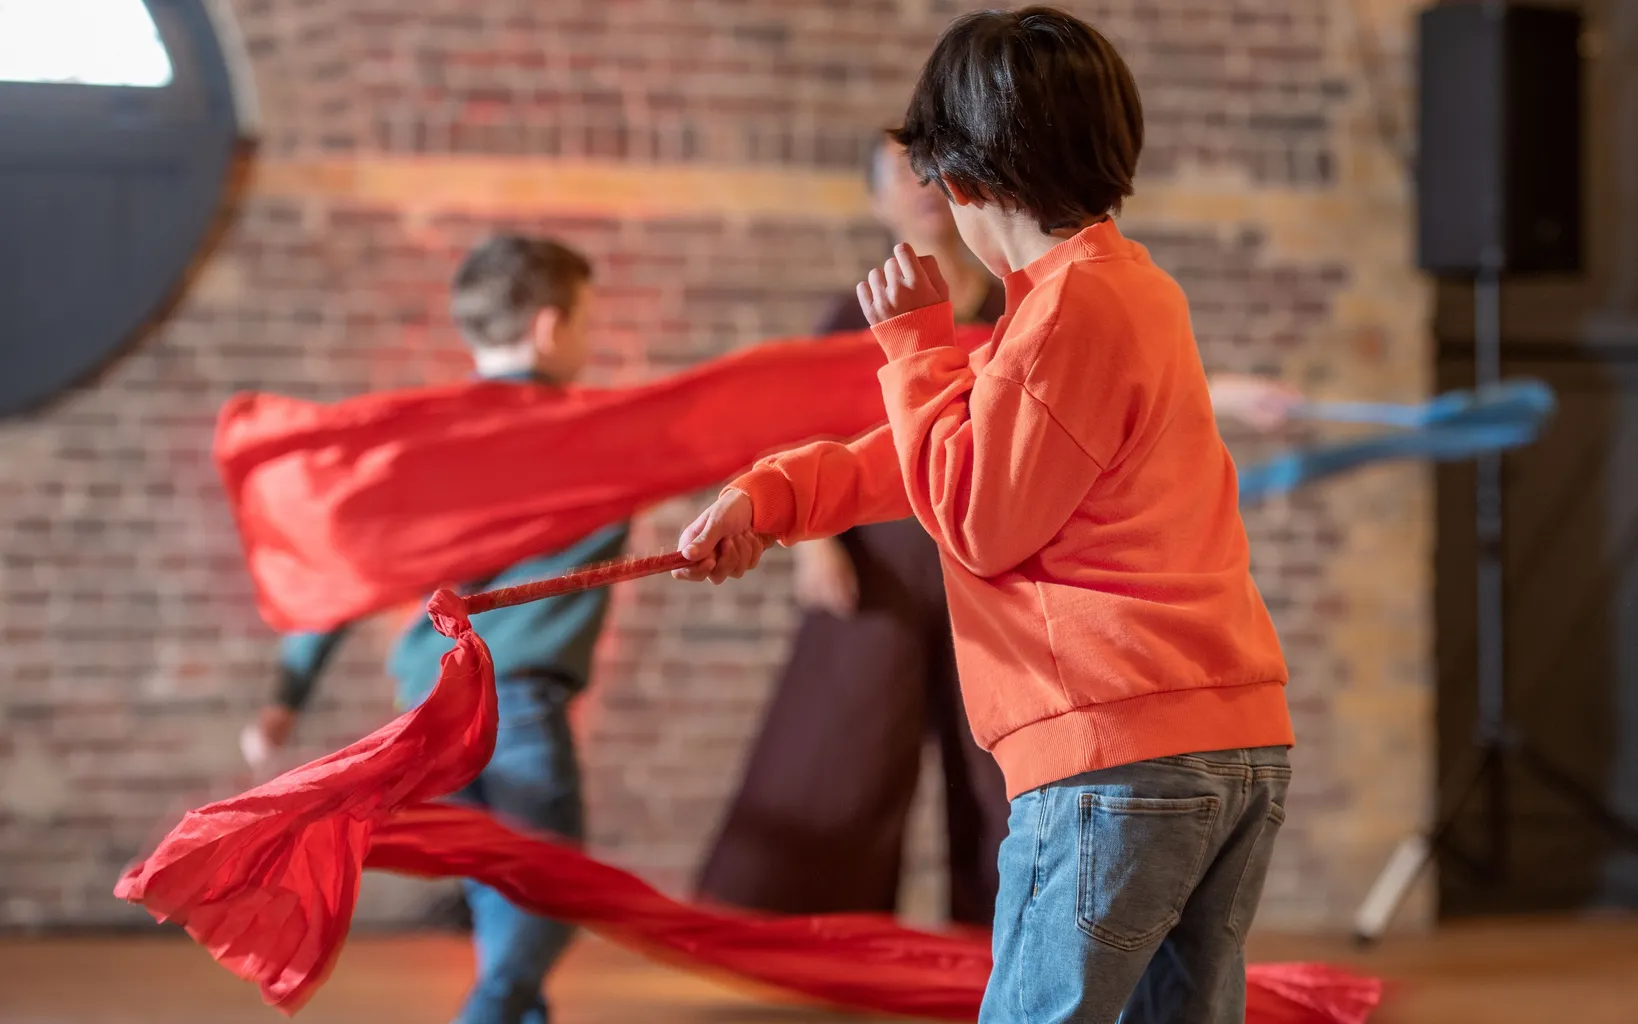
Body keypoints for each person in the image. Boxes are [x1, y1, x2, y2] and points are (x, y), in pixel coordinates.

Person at [672, 9, 1294, 1023]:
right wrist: (775, 497)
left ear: (956, 180)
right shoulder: (1120, 295)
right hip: (1226, 742)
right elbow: (942, 453)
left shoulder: (1062, 319)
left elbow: (974, 518)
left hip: (1119, 761)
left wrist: (914, 347)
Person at [246, 235, 623, 1024]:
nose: (591, 344)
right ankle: (488, 1013)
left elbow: (349, 563)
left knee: (503, 883)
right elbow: (695, 452)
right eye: (589, 325)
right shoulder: (595, 438)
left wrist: (288, 690)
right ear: (551, 329)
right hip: (511, 704)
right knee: (549, 891)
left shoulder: (426, 446)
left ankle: (515, 1010)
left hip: (426, 709)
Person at [695, 136, 1012, 929]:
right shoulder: (852, 318)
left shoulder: (1015, 314)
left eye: (934, 173)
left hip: (987, 558)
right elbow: (802, 436)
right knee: (849, 748)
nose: (923, 189)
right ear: (877, 203)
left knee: (997, 762)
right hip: (883, 564)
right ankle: (833, 939)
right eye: (902, 178)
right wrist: (818, 545)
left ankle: (1000, 936)